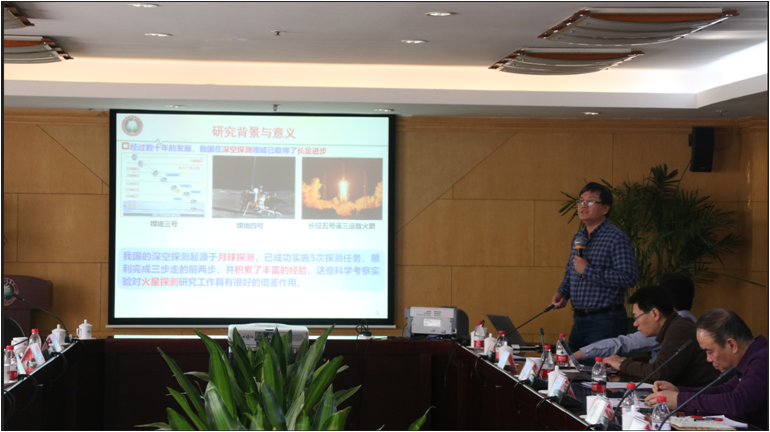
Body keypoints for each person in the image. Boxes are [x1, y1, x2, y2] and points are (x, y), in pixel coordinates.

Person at [645, 309, 768, 429]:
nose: (708, 359)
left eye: (710, 351)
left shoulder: (763, 359)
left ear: (732, 345)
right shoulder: (753, 356)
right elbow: (723, 390)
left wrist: (679, 400)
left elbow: (738, 403)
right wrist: (678, 391)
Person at [551, 182, 637, 351]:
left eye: (590, 201)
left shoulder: (616, 238)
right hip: (579, 319)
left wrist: (588, 270)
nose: (583, 205)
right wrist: (563, 293)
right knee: (572, 365)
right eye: (581, 201)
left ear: (605, 208)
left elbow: (628, 277)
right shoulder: (579, 236)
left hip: (606, 319)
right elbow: (571, 269)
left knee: (597, 367)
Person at [602, 286, 719, 387]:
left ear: (655, 314)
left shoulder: (679, 329)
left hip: (704, 396)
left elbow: (659, 372)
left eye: (637, 317)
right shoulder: (675, 326)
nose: (635, 324)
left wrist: (621, 364)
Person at [573, 272, 696, 362]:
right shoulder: (692, 322)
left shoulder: (668, 325)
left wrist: (576, 355)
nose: (635, 323)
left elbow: (623, 344)